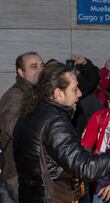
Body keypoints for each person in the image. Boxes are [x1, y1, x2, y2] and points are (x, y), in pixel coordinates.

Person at [13, 62, 110, 203]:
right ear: (58, 94)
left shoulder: (31, 114)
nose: (80, 93)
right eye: (75, 89)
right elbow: (86, 167)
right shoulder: (55, 123)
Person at [0, 51, 44, 202]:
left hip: (28, 176)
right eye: (33, 67)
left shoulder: (34, 94)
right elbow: (21, 134)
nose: (40, 70)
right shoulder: (15, 97)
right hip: (16, 177)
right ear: (21, 72)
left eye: (41, 65)